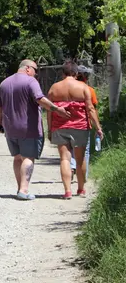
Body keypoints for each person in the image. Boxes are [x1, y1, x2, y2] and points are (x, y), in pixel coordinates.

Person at [0, 59, 70, 200]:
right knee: (28, 157)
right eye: (35, 71)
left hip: (10, 128)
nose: (36, 75)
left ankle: (20, 188)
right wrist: (56, 109)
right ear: (28, 69)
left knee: (17, 158)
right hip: (28, 128)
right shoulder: (30, 81)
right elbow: (39, 98)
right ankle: (23, 190)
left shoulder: (4, 83)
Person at [47, 61, 103, 199]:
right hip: (80, 127)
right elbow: (90, 109)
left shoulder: (54, 88)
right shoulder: (83, 87)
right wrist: (98, 127)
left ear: (62, 73)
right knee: (80, 159)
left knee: (64, 159)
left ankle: (67, 191)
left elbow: (49, 111)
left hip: (60, 127)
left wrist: (49, 129)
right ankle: (81, 189)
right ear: (76, 73)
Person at [69, 65, 98, 180]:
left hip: (67, 123)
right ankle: (83, 175)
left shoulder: (67, 88)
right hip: (83, 124)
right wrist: (97, 126)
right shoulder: (89, 90)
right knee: (84, 151)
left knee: (70, 148)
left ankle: (71, 167)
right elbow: (93, 109)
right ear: (85, 77)